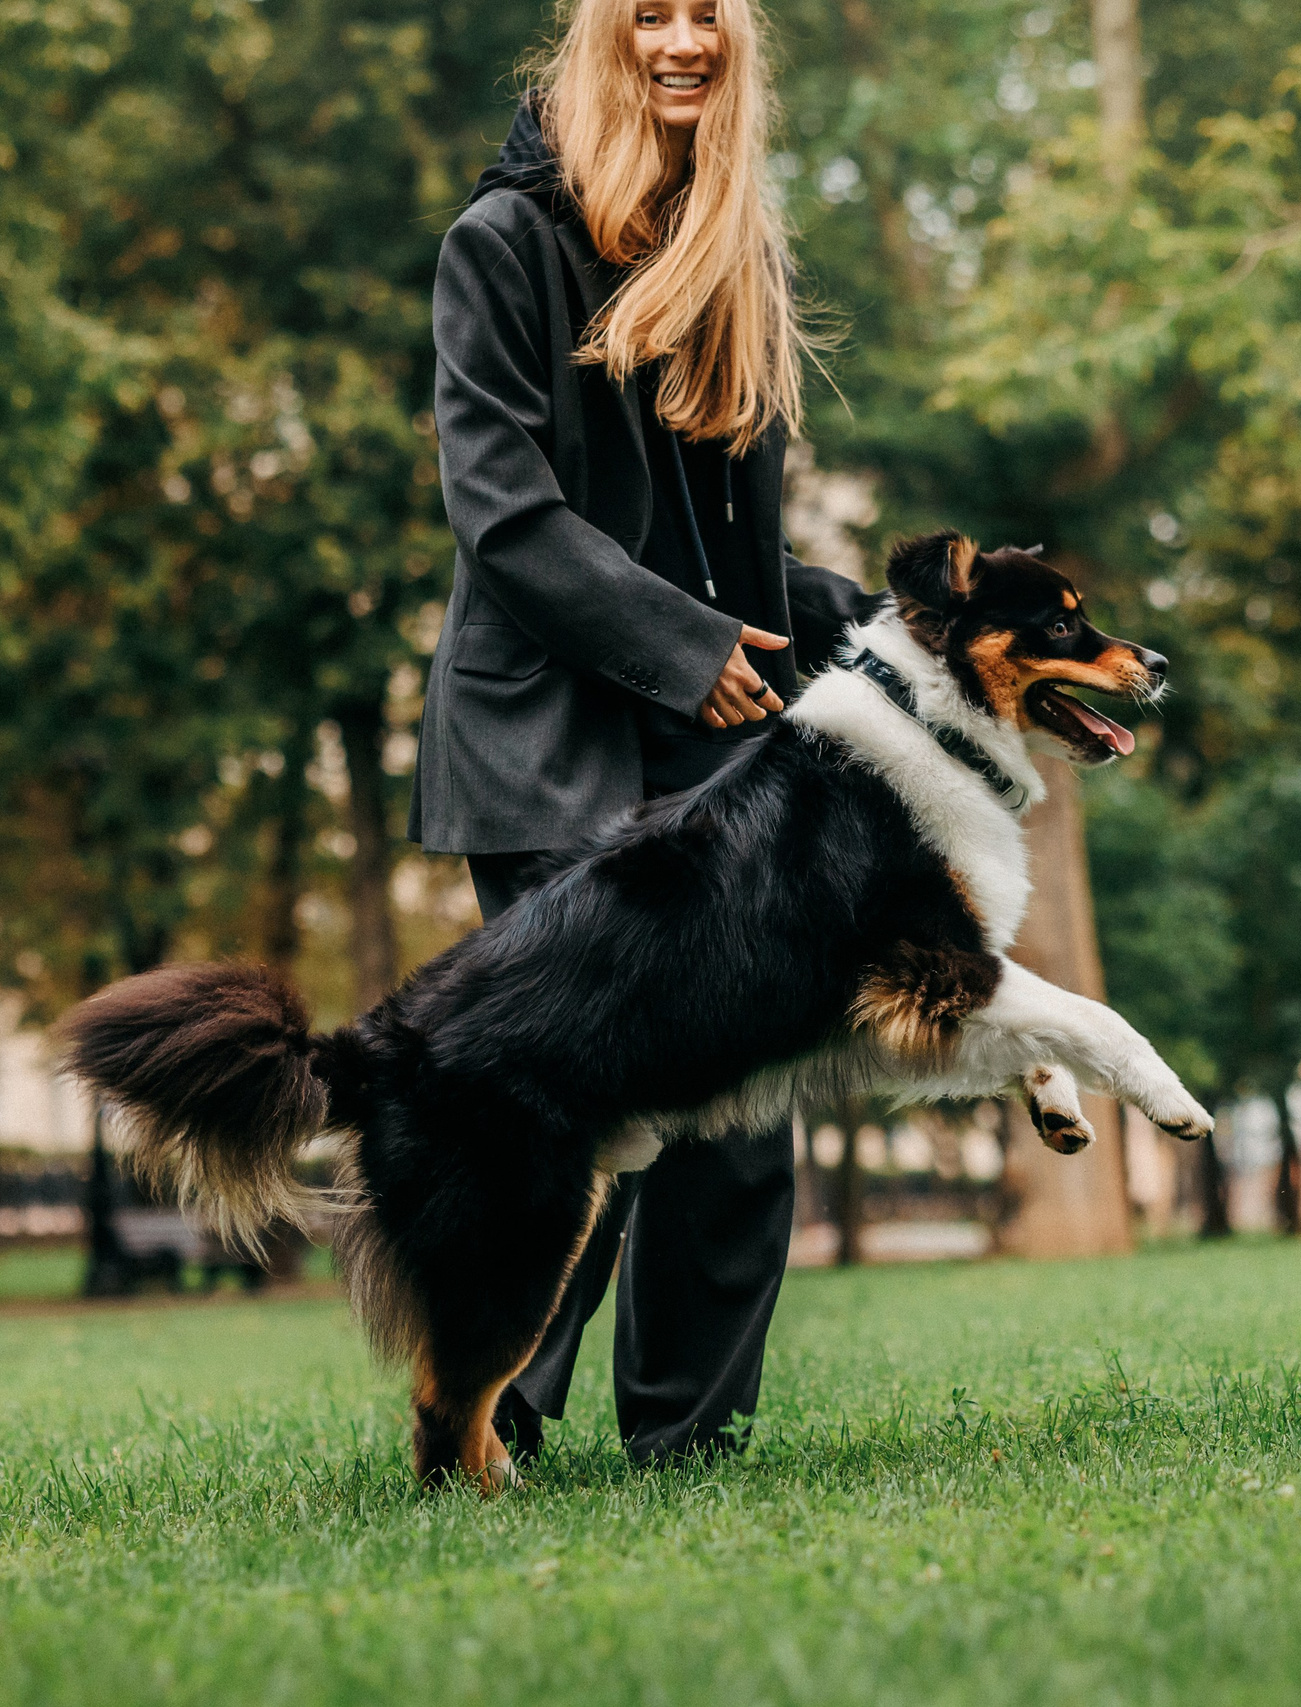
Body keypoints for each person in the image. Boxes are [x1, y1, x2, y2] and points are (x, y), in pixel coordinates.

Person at [408, 0, 872, 1464]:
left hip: (713, 736)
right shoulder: (501, 243)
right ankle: (495, 1422)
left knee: (737, 1107)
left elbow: (736, 548)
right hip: (545, 739)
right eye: (651, 12)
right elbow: (505, 515)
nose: (685, 40)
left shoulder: (731, 243)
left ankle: (688, 1439)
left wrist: (876, 623)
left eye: (710, 15)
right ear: (600, 38)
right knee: (570, 1101)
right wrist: (685, 652)